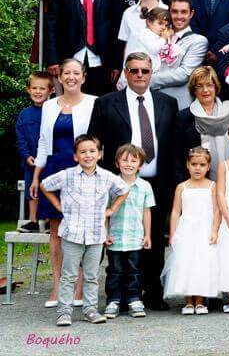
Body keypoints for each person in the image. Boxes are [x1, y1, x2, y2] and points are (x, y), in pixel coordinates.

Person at [88, 52, 197, 311]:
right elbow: (95, 142)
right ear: (126, 73)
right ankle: (119, 294)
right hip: (119, 184)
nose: (139, 76)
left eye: (145, 71)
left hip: (157, 181)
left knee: (154, 239)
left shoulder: (167, 102)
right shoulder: (106, 103)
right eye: (134, 70)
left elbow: (172, 145)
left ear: (151, 73)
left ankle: (152, 292)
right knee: (118, 239)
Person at [39, 133, 128, 327]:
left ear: (100, 154)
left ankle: (90, 309)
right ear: (75, 156)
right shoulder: (67, 175)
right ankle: (64, 312)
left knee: (91, 275)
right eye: (83, 152)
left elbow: (123, 189)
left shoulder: (106, 177)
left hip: (96, 235)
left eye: (92, 151)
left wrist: (111, 209)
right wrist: (57, 205)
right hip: (72, 233)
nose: (87, 155)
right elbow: (44, 185)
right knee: (69, 275)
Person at [31, 61, 95, 306]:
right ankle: (58, 287)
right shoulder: (48, 106)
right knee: (56, 232)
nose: (71, 77)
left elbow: (99, 142)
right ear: (60, 77)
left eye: (75, 73)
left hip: (82, 170)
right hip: (54, 170)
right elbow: (43, 144)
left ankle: (79, 287)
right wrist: (37, 177)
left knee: (81, 231)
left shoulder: (94, 103)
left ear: (83, 77)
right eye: (66, 73)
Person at [161, 147, 220, 314]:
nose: (197, 168)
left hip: (205, 229)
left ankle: (200, 300)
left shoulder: (212, 186)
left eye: (202, 164)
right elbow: (175, 211)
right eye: (194, 164)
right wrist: (173, 233)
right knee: (186, 262)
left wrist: (215, 231)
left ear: (208, 166)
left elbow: (217, 211)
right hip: (186, 230)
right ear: (187, 165)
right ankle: (188, 301)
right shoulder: (182, 187)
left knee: (202, 263)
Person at [103, 144, 154, 318]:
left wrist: (148, 234)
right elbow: (106, 212)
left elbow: (146, 211)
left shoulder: (145, 186)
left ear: (140, 165)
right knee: (115, 271)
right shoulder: (111, 185)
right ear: (117, 163)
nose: (129, 164)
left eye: (134, 160)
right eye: (124, 160)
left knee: (135, 270)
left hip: (135, 237)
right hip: (115, 237)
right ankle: (113, 300)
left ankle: (134, 299)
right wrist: (105, 233)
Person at [149, 0, 208, 110]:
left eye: (184, 12)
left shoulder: (198, 41)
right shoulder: (156, 36)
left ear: (191, 14)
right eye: (174, 12)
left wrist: (146, 80)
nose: (179, 16)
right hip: (151, 101)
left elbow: (183, 74)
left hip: (177, 105)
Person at [182, 67, 229, 178]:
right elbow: (178, 155)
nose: (205, 90)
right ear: (194, 90)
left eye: (209, 85)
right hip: (196, 181)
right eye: (199, 86)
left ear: (216, 87)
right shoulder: (184, 117)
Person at [16, 72, 50, 233]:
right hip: (31, 161)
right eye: (34, 88)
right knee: (32, 189)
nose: (38, 91)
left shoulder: (54, 110)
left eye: (42, 88)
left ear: (50, 91)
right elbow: (20, 138)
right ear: (28, 90)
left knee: (50, 188)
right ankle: (34, 221)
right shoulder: (24, 114)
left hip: (50, 161)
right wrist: (26, 156)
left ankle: (51, 220)